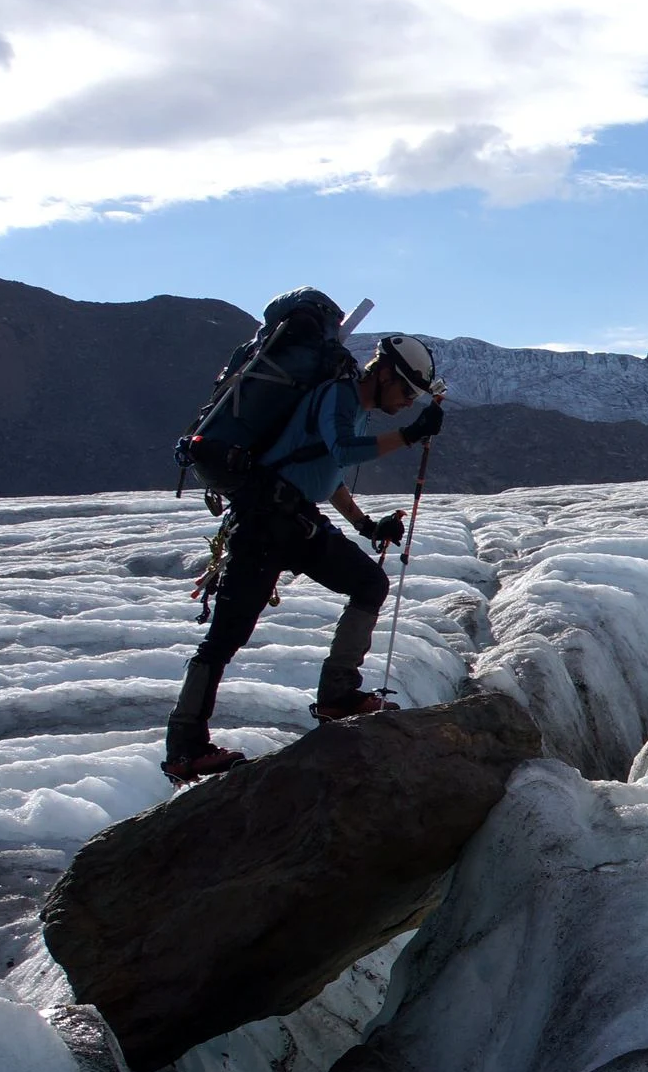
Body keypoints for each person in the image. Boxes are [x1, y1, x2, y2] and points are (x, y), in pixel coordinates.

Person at [162, 325, 447, 783]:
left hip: (289, 519)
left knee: (367, 583)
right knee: (226, 635)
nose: (407, 403)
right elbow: (342, 450)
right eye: (407, 392)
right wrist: (411, 435)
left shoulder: (351, 406)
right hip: (267, 521)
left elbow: (325, 472)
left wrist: (366, 526)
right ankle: (186, 748)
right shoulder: (340, 396)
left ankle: (338, 695)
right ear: (386, 375)